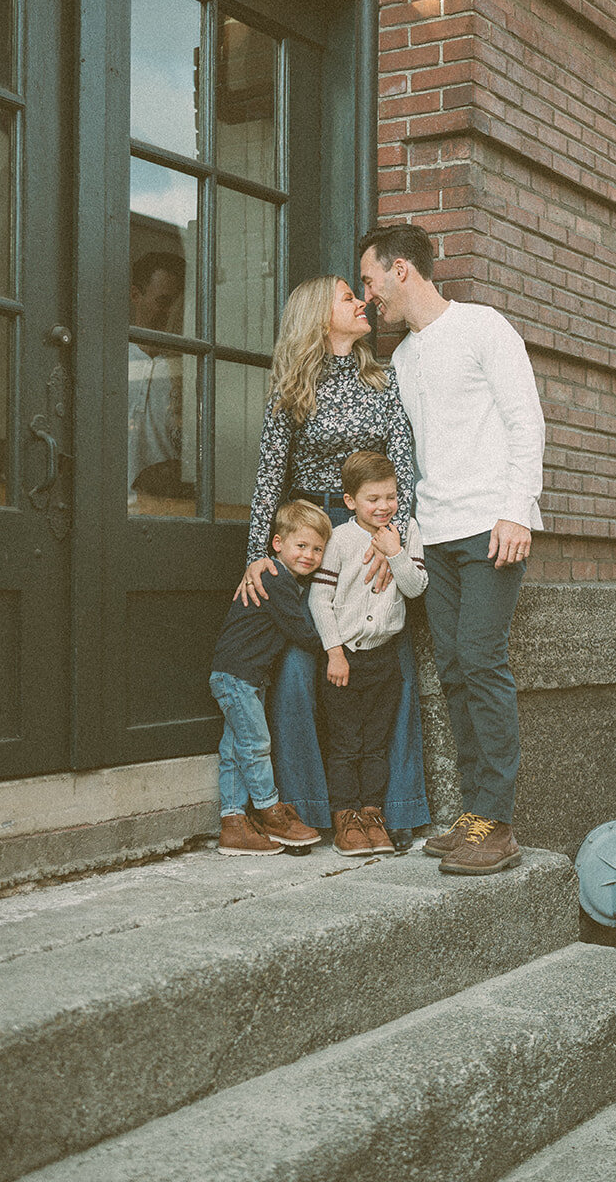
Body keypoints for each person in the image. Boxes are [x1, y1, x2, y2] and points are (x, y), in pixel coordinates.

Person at [359, 223, 545, 875]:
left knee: (479, 659)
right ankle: (474, 813)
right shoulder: (405, 358)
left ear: (401, 269)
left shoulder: (482, 327)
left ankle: (496, 823)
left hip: (491, 527)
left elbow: (526, 419)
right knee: (456, 671)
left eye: (370, 277)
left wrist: (515, 509)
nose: (367, 292)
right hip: (432, 536)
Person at [236, 275, 429, 847]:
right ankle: (313, 808)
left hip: (372, 534)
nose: (362, 301)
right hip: (309, 538)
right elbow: (270, 476)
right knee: (300, 668)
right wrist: (256, 557)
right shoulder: (294, 391)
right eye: (349, 297)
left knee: (391, 666)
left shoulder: (380, 380)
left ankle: (389, 808)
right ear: (321, 317)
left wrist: (387, 534)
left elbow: (403, 465)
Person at [309, 451, 428, 857]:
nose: (383, 507)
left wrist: (395, 552)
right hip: (345, 659)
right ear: (350, 502)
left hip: (384, 659)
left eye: (391, 497)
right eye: (372, 499)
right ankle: (346, 818)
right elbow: (319, 599)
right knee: (345, 743)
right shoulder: (341, 539)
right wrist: (334, 652)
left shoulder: (406, 531)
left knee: (376, 744)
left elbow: (415, 588)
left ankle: (373, 814)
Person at [209, 500, 332, 856]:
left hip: (242, 676)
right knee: (257, 744)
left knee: (235, 748)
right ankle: (269, 810)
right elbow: (301, 630)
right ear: (277, 544)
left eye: (317, 549)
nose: (309, 555)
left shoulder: (283, 579)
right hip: (238, 677)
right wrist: (335, 646)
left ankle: (232, 824)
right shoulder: (275, 578)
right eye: (301, 546)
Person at [128, 251, 188, 506]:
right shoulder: (108, 363)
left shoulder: (189, 370)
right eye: (163, 302)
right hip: (111, 508)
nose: (170, 314)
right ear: (135, 295)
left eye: (176, 305)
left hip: (169, 507)